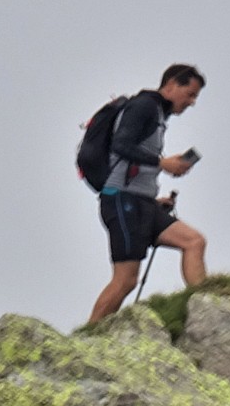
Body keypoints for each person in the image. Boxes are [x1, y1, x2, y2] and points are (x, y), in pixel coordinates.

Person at [88, 64, 208, 323]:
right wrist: (163, 163)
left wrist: (154, 199)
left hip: (141, 202)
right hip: (121, 200)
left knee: (194, 241)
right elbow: (121, 144)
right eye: (190, 94)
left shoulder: (158, 115)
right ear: (172, 84)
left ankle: (205, 309)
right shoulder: (143, 106)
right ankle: (88, 336)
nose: (192, 102)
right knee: (126, 280)